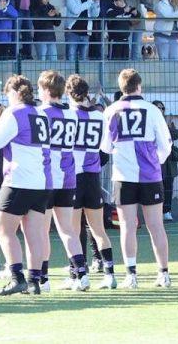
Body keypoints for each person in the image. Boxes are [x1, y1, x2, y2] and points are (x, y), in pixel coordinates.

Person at [100, 69, 172, 289]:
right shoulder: (152, 110)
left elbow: (105, 147)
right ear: (139, 86)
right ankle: (163, 274)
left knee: (127, 226)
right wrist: (153, 161)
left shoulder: (111, 111)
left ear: (122, 88)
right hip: (150, 176)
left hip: (123, 176)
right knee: (156, 226)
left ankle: (131, 275)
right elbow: (165, 145)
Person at [0, 75, 50, 295]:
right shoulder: (41, 112)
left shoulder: (14, 113)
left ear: (13, 92)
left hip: (19, 179)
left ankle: (17, 277)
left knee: (2, 229)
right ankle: (34, 281)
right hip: (41, 181)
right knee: (34, 233)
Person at [35, 71, 86, 292]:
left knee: (42, 231)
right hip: (68, 177)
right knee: (68, 230)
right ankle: (82, 275)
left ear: (46, 90)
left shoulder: (40, 113)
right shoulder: (73, 114)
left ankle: (43, 280)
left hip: (47, 178)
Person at [66, 75, 118, 290]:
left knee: (73, 229)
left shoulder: (69, 115)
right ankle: (109, 274)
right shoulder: (99, 116)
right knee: (98, 229)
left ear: (69, 94)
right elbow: (106, 148)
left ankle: (79, 275)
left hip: (74, 176)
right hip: (93, 176)